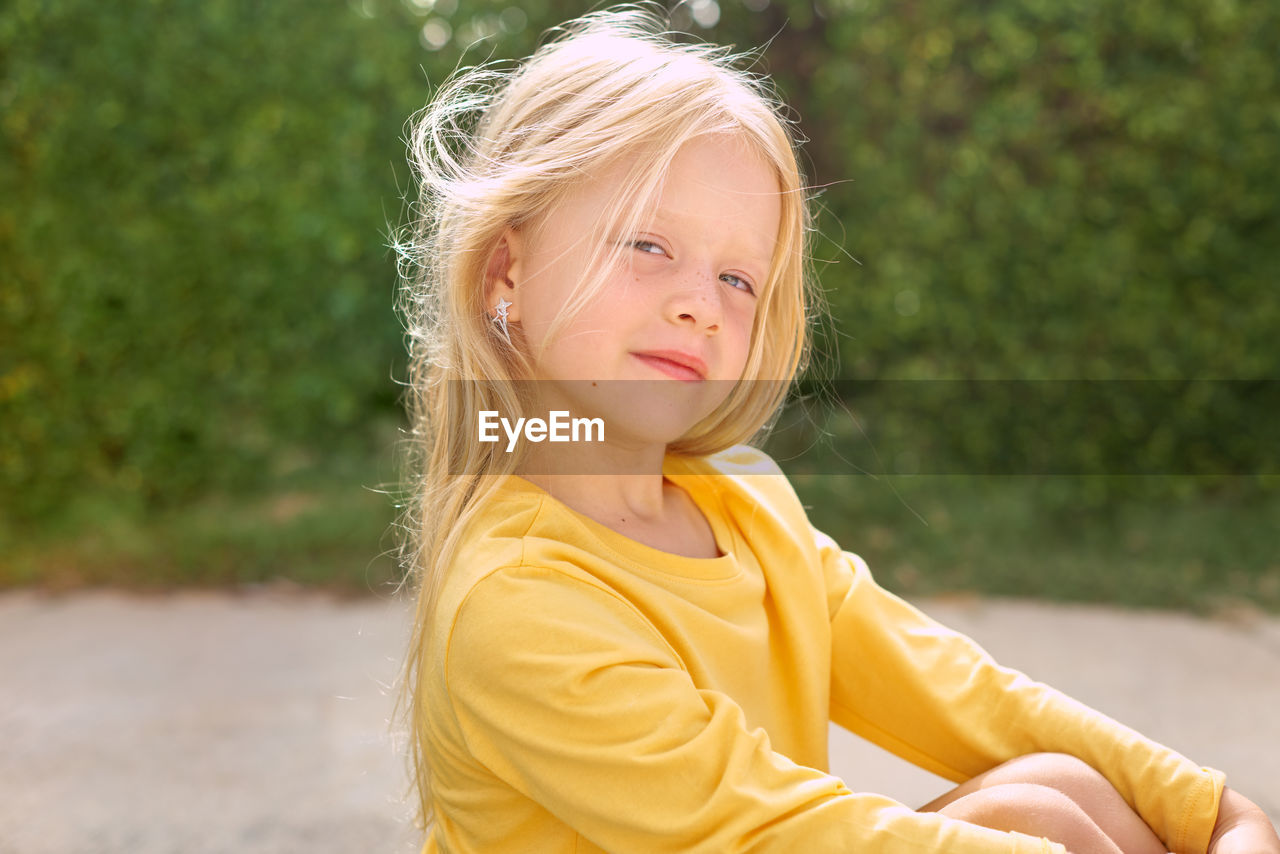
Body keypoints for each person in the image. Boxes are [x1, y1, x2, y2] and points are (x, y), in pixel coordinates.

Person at [395, 8, 1279, 853]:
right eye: (647, 245)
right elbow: (774, 835)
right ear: (506, 270)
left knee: (1056, 791)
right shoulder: (515, 601)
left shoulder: (741, 500)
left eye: (739, 278)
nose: (699, 304)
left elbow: (960, 693)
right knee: (1043, 828)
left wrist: (1208, 810)